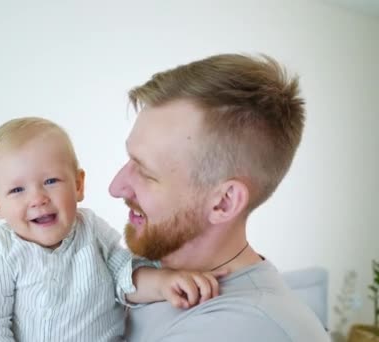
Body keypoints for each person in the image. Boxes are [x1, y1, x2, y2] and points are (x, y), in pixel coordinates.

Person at [108, 53, 330, 341]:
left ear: (224, 202)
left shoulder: (244, 328)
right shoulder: (140, 275)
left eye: (147, 173)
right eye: (130, 159)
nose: (116, 187)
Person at [0, 117, 221, 342]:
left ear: (78, 185)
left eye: (50, 181)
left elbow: (125, 274)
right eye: (17, 190)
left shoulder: (92, 231)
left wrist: (164, 282)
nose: (38, 198)